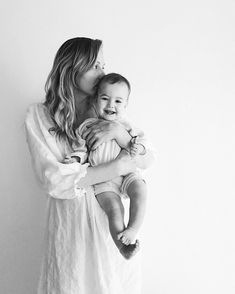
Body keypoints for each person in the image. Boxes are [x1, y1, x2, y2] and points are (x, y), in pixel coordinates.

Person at [25, 37, 154, 294]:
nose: (103, 72)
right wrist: (118, 167)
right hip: (71, 231)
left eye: (103, 64)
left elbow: (147, 158)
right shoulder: (39, 116)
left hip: (112, 232)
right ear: (72, 68)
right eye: (95, 65)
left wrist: (118, 133)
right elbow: (54, 180)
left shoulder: (109, 109)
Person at [65, 73, 148, 259]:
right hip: (104, 182)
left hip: (128, 175)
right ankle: (123, 247)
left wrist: (138, 146)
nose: (111, 105)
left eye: (118, 101)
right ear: (95, 100)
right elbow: (80, 149)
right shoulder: (86, 127)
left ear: (125, 105)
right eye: (105, 98)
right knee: (114, 209)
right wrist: (76, 160)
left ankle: (133, 229)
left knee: (140, 190)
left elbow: (142, 143)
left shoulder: (126, 125)